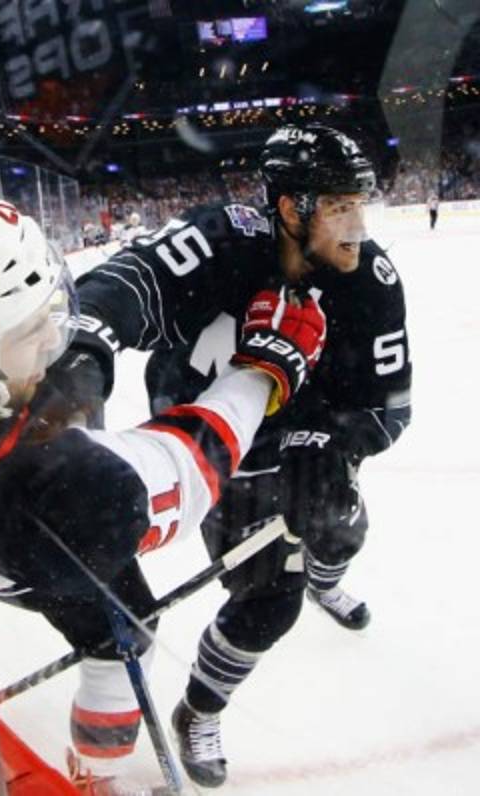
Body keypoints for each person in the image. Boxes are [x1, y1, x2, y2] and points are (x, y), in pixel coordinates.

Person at [0, 188, 328, 789]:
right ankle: (97, 771)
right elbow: (186, 466)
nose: (51, 343)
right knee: (130, 635)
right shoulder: (71, 492)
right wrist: (264, 369)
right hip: (19, 557)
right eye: (27, 331)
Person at [42, 124, 411, 786]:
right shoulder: (222, 239)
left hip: (306, 438)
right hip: (212, 448)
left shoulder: (372, 281)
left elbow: (389, 405)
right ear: (291, 207)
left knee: (341, 529)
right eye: (338, 207)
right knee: (272, 600)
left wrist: (335, 446)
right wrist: (83, 350)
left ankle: (326, 574)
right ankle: (200, 710)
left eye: (360, 204)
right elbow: (128, 282)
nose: (358, 227)